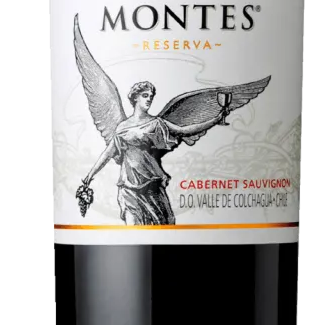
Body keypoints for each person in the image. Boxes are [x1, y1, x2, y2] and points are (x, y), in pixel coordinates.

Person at [79, 80, 230, 226]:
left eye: (151, 96)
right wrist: (89, 176)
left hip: (152, 187)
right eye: (145, 95)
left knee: (165, 225)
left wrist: (215, 120)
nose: (149, 99)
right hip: (129, 189)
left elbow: (184, 131)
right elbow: (108, 153)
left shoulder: (156, 123)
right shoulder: (122, 127)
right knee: (132, 229)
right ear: (135, 98)